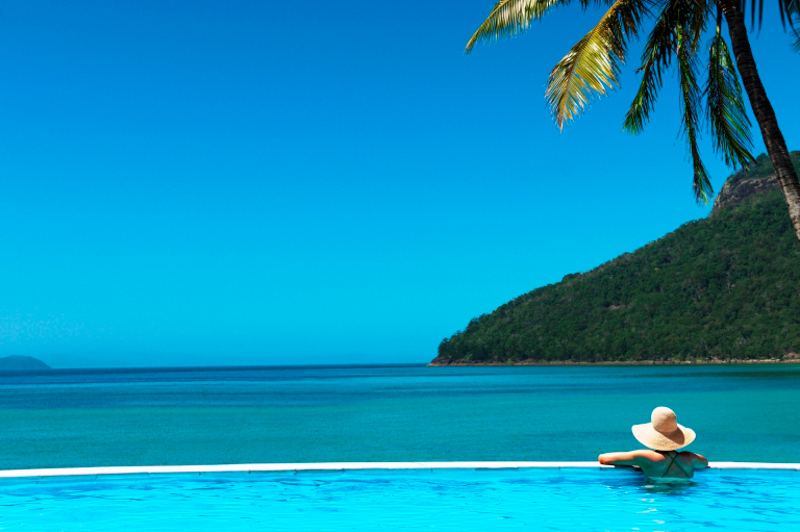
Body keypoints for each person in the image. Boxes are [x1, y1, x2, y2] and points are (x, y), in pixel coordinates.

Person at [598, 406, 708, 481]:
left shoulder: (645, 457)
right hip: (685, 499)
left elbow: (603, 458)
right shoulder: (690, 458)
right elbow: (704, 462)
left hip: (657, 500)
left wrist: (637, 462)